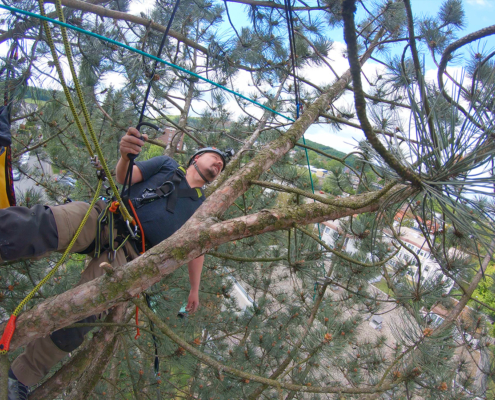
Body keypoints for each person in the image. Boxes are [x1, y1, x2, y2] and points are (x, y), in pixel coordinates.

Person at [4, 127, 232, 399]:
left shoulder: (202, 209)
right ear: (196, 157)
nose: (219, 164)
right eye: (215, 158)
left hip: (130, 257)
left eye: (221, 166)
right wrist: (126, 155)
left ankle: (19, 376)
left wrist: (194, 289)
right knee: (41, 224)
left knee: (81, 318)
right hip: (105, 216)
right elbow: (125, 176)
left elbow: (196, 251)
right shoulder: (167, 165)